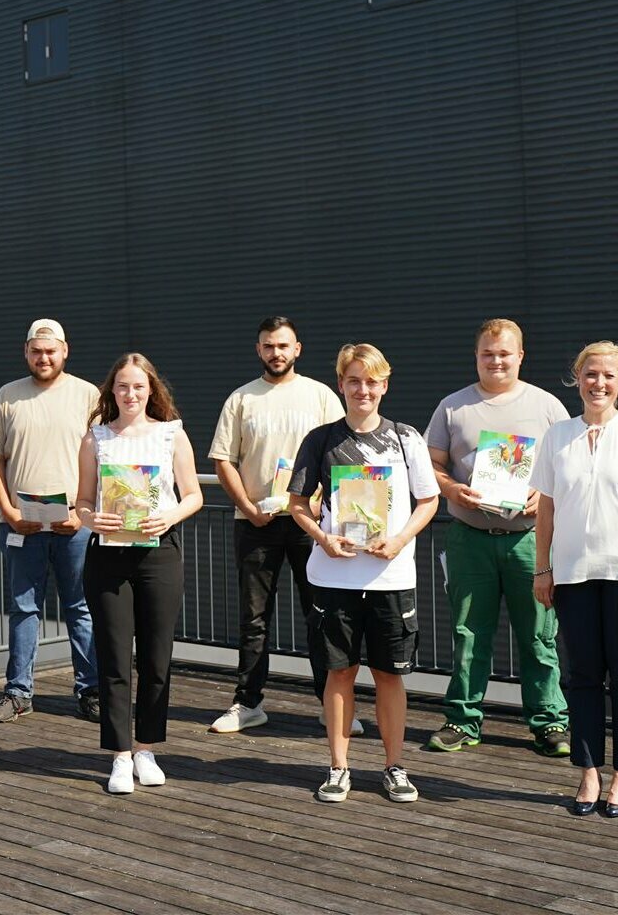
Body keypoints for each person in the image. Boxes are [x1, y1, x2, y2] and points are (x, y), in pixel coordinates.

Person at [288, 343, 438, 805]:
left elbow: (428, 501)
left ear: (384, 386)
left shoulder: (406, 437)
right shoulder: (320, 439)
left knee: (390, 676)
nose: (363, 390)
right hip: (334, 578)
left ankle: (395, 766)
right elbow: (296, 503)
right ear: (341, 385)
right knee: (339, 673)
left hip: (391, 578)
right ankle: (338, 767)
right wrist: (323, 538)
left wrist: (398, 540)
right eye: (354, 381)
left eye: (371, 381)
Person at [532, 342, 618, 818]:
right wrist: (543, 568)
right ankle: (589, 771)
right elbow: (546, 509)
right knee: (583, 675)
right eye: (592, 374)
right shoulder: (557, 437)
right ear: (578, 377)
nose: (600, 383)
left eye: (609, 375)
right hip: (572, 574)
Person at [425, 319, 571, 756]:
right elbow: (431, 466)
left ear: (520, 356)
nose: (496, 360)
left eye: (504, 353)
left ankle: (549, 723)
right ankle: (462, 721)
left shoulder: (547, 406)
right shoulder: (453, 407)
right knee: (469, 633)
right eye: (488, 353)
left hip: (531, 539)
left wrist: (543, 494)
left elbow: (570, 468)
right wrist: (452, 489)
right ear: (476, 356)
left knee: (539, 634)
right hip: (470, 537)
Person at [207, 316, 346, 735]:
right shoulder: (241, 399)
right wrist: (248, 507)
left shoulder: (321, 397)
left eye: (283, 345)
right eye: (269, 345)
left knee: (320, 614)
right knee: (254, 618)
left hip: (311, 524)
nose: (276, 353)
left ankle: (331, 705)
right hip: (256, 522)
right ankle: (247, 703)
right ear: (259, 349)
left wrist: (322, 503)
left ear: (297, 349)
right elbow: (222, 460)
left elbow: (341, 455)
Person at [74, 353, 203, 794]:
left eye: (139, 386)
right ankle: (119, 754)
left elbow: (193, 496)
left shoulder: (172, 434)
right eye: (123, 386)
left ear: (152, 390)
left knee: (156, 658)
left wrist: (168, 517)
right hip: (108, 557)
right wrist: (93, 520)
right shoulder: (95, 439)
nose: (131, 394)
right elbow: (82, 503)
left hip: (158, 554)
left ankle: (146, 748)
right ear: (112, 391)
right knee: (112, 659)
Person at [0, 319, 102, 725]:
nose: (44, 358)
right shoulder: (8, 395)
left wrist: (82, 512)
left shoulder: (89, 395)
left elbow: (106, 459)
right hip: (23, 524)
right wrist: (9, 511)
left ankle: (90, 690)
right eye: (37, 351)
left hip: (74, 522)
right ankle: (18, 692)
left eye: (51, 351)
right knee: (23, 608)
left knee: (81, 607)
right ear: (26, 352)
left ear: (65, 351)